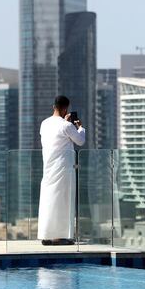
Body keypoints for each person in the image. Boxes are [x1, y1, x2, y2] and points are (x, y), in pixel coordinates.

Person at [38, 95, 86, 245]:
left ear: (54, 106)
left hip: (48, 167)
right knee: (64, 201)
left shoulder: (44, 123)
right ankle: (62, 236)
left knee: (49, 200)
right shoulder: (66, 126)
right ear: (66, 108)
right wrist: (80, 127)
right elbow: (80, 140)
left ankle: (46, 235)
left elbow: (54, 138)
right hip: (64, 168)